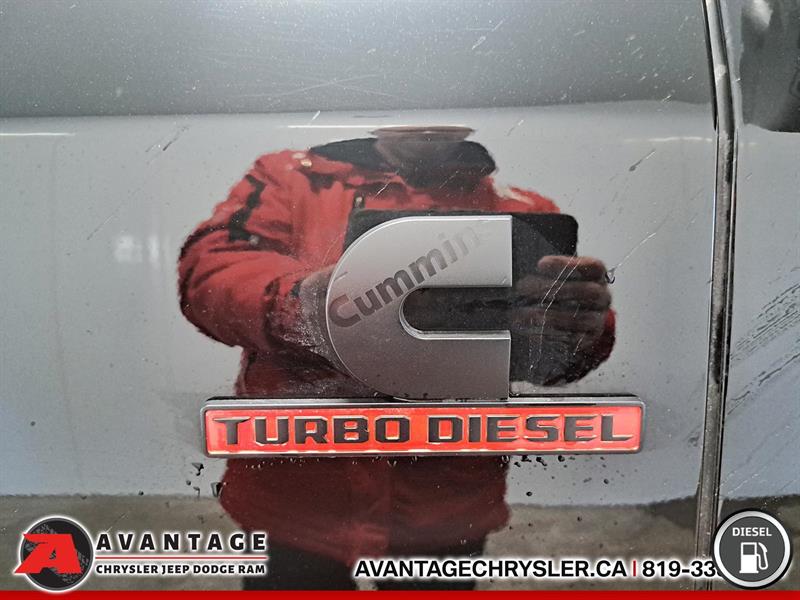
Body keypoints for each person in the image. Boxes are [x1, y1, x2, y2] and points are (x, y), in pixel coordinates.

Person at [178, 126, 615, 589]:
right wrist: (303, 304)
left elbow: (560, 354)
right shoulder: (291, 179)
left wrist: (578, 331)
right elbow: (211, 272)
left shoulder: (523, 209)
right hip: (296, 492)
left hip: (444, 498)